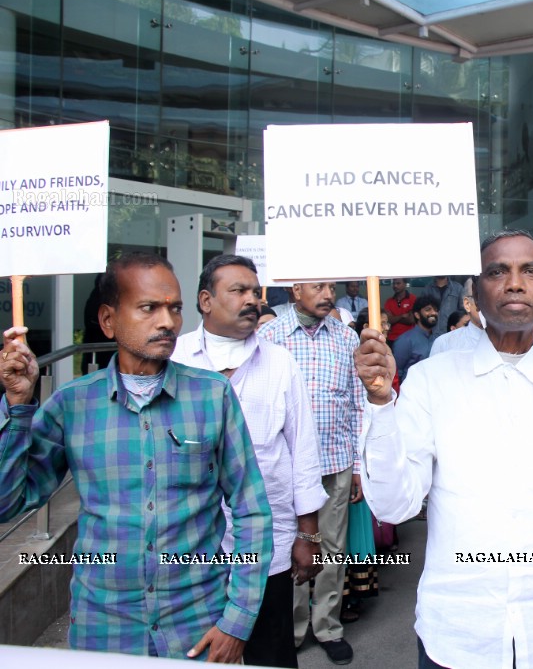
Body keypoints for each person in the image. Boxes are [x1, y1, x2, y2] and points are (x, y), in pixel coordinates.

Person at [354, 230, 533, 669]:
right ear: (475, 293)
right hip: (458, 635)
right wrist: (381, 404)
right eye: (497, 271)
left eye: (531, 271)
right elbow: (393, 505)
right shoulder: (431, 380)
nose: (515, 283)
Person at [0, 253, 272, 660]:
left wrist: (238, 618)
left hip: (197, 624)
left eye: (175, 308)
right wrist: (20, 406)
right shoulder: (71, 405)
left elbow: (252, 511)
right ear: (108, 320)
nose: (167, 322)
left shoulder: (213, 395)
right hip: (103, 630)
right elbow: (8, 502)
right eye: (149, 308)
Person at [172, 254, 329, 668]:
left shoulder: (280, 363)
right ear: (206, 300)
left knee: (271, 652)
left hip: (267, 545)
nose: (251, 300)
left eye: (255, 292)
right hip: (189, 545)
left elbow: (303, 453)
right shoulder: (174, 360)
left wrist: (308, 535)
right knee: (198, 653)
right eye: (238, 291)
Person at [258, 280, 365, 665]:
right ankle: (294, 627)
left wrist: (357, 465)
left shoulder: (346, 338)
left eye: (331, 287)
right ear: (295, 290)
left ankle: (328, 627)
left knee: (333, 549)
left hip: (335, 461)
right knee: (291, 547)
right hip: (285, 468)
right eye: (318, 287)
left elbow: (357, 404)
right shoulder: (269, 336)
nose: (328, 294)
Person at [431, 276, 485, 357]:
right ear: (467, 304)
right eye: (481, 297)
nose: (490, 303)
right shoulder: (444, 344)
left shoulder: (509, 341)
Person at [392, 297, 439, 382]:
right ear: (417, 315)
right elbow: (397, 372)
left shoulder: (438, 339)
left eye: (436, 310)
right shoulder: (405, 340)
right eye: (428, 310)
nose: (433, 313)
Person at [384, 278, 416, 345]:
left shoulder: (412, 298)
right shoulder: (389, 301)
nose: (395, 286)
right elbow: (388, 320)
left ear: (405, 284)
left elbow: (411, 320)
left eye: (398, 283)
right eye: (394, 283)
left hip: (409, 338)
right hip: (392, 338)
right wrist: (402, 316)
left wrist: (394, 318)